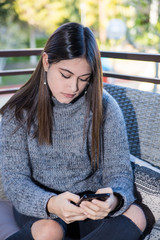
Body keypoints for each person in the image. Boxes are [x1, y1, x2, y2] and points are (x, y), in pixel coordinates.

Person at [0, 22, 146, 240]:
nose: (73, 88)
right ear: (47, 61)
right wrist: (50, 203)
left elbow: (119, 173)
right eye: (65, 75)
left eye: (83, 79)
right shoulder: (18, 110)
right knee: (51, 231)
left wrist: (113, 200)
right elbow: (14, 180)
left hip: (88, 209)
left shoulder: (105, 107)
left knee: (137, 214)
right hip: (41, 209)